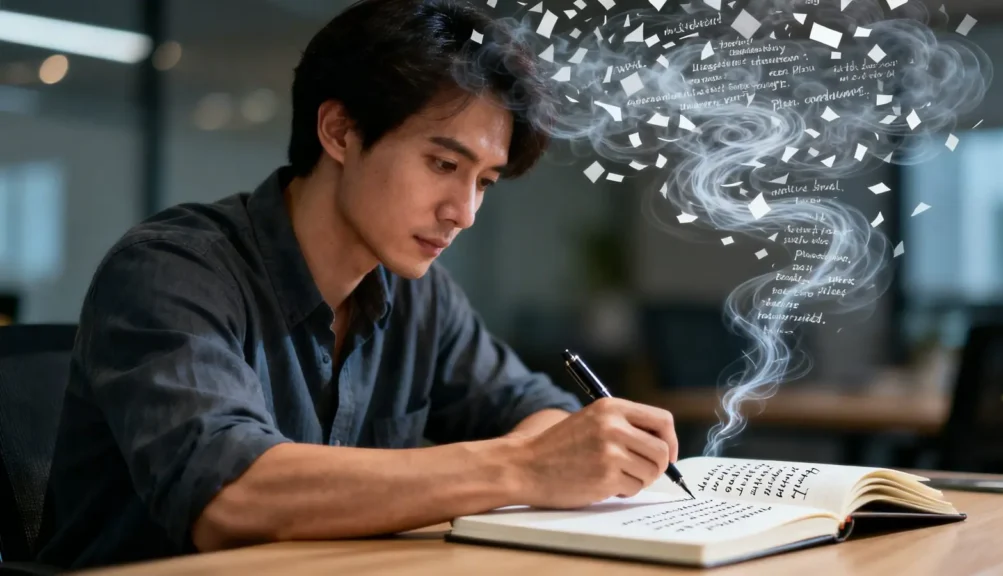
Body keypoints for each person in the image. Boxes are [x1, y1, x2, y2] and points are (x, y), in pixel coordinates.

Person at [37, 0, 680, 569]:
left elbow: (543, 411)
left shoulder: (418, 294)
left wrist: (557, 449)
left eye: (482, 181)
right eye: (443, 164)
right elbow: (227, 496)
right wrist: (521, 468)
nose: (464, 211)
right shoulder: (171, 269)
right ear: (340, 131)